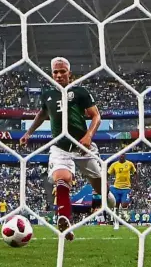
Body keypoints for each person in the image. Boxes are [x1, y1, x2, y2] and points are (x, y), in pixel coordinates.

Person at [20, 57, 115, 241]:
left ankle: (110, 204)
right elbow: (42, 113)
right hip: (60, 147)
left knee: (102, 188)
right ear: (51, 74)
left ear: (69, 73)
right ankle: (64, 219)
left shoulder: (80, 92)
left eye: (62, 71)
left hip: (81, 146)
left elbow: (96, 116)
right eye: (55, 72)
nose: (59, 75)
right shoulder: (47, 94)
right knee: (62, 179)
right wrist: (28, 133)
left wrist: (88, 136)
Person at [108, 154, 136, 230]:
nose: (121, 156)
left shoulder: (130, 164)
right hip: (116, 188)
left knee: (124, 205)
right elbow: (107, 174)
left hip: (126, 188)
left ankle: (123, 214)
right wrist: (105, 183)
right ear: (118, 156)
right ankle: (116, 223)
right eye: (120, 155)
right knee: (116, 206)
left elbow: (135, 173)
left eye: (123, 155)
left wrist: (135, 184)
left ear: (125, 156)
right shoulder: (114, 164)